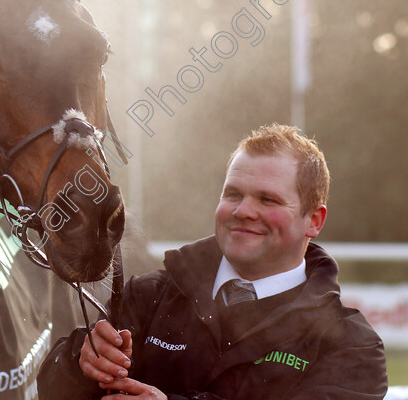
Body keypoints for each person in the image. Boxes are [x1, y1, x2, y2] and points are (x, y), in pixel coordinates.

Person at [37, 124, 387, 400]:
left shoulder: (351, 345)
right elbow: (51, 390)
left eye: (268, 200)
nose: (243, 211)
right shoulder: (148, 297)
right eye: (233, 194)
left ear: (314, 220)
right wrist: (79, 364)